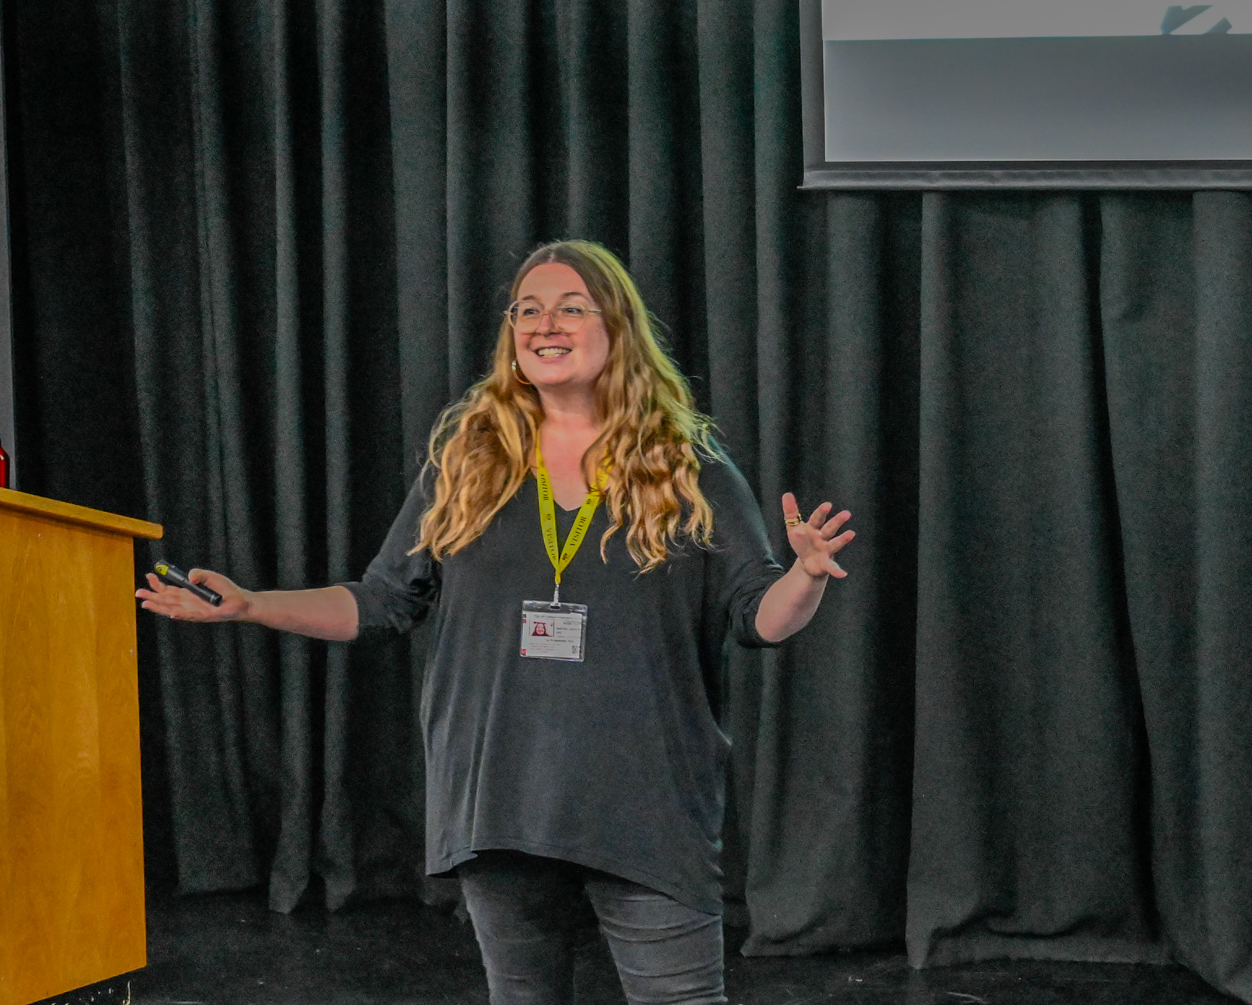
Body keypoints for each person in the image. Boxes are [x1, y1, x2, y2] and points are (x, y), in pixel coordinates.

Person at [137, 240, 856, 1005]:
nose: (546, 324)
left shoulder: (687, 464)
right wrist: (253, 604)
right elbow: (382, 601)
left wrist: (806, 574)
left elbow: (761, 616)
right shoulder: (469, 460)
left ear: (617, 325)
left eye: (571, 307)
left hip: (645, 806)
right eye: (528, 310)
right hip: (499, 800)